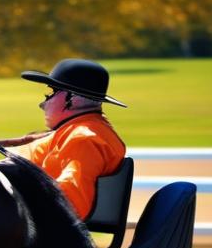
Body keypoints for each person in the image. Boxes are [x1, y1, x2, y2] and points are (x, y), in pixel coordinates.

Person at [13, 59, 127, 220]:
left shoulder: (83, 139)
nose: (43, 104)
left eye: (51, 93)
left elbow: (70, 203)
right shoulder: (84, 130)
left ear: (71, 98)